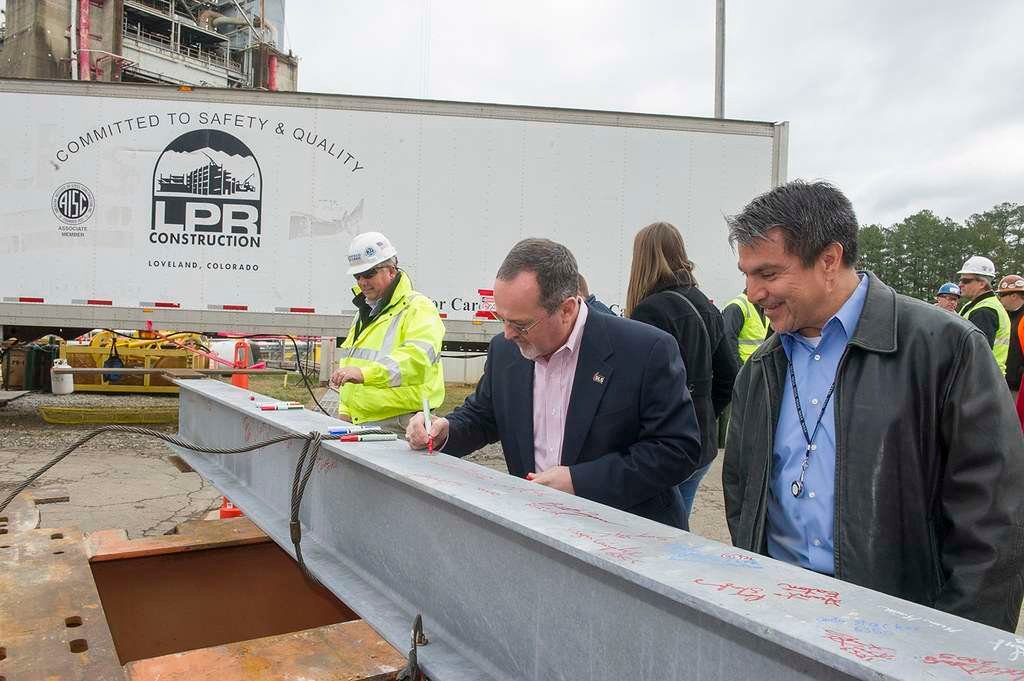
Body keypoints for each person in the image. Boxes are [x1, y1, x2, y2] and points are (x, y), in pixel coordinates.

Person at [723, 180, 1024, 631]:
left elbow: (994, 520)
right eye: (746, 275)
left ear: (829, 260)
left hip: (901, 633)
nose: (752, 293)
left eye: (767, 274)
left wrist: (954, 645)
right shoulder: (762, 367)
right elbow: (742, 491)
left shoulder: (945, 348)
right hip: (780, 618)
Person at [406, 238, 703, 529]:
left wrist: (579, 481)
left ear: (567, 309)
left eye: (520, 324)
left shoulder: (644, 350)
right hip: (542, 533)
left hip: (628, 537)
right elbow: (484, 415)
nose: (508, 334)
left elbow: (677, 450)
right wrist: (445, 430)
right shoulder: (505, 351)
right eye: (501, 319)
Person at [625, 222, 737, 522]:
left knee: (657, 534)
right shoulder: (706, 305)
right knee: (677, 524)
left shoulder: (649, 311)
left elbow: (638, 390)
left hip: (665, 449)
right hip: (702, 445)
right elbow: (729, 374)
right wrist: (702, 412)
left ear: (642, 259)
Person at [330, 231, 445, 430]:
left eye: (369, 274)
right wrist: (346, 412)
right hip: (363, 422)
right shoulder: (364, 312)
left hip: (402, 424)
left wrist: (365, 374)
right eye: (358, 276)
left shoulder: (418, 307)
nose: (362, 282)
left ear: (391, 270)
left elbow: (416, 360)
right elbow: (352, 363)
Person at [958, 256, 1011, 376]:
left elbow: (975, 355)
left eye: (966, 281)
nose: (960, 284)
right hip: (988, 378)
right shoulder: (975, 305)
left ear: (982, 283)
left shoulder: (984, 311)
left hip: (982, 379)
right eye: (960, 280)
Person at [998, 274, 1024, 397]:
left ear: (1013, 296)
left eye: (1002, 295)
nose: (999, 298)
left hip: (1018, 386)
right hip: (1002, 382)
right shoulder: (1003, 315)